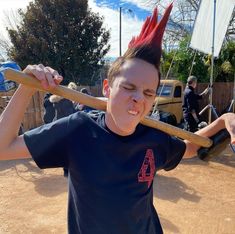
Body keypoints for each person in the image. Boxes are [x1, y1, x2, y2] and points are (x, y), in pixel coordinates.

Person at [0, 3, 234, 234]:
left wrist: (223, 120)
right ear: (107, 88)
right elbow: (4, 148)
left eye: (148, 93)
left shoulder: (154, 138)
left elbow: (191, 146)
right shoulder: (77, 130)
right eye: (128, 87)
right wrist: (26, 88)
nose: (138, 99)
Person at [49, 81, 77, 177]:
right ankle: (68, 171)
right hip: (67, 128)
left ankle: (66, 170)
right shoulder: (67, 102)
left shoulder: (57, 101)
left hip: (58, 126)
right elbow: (70, 114)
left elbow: (58, 116)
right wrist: (78, 110)